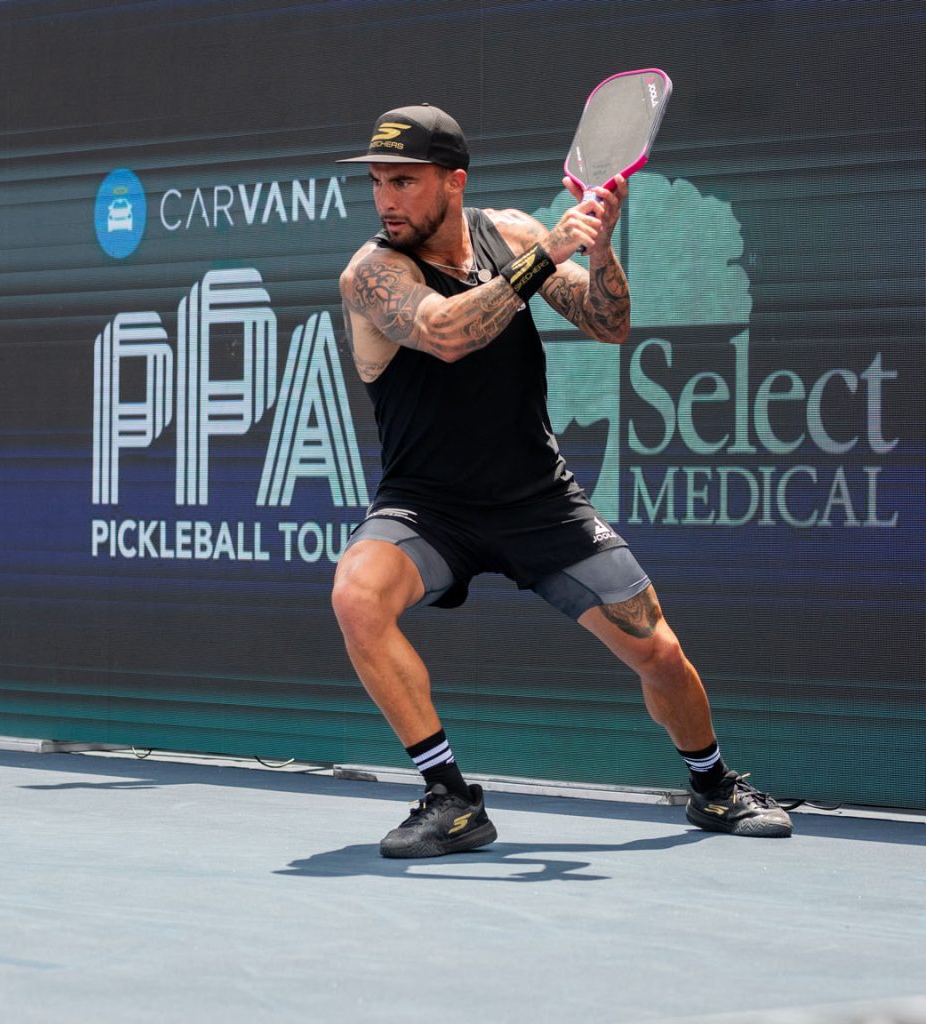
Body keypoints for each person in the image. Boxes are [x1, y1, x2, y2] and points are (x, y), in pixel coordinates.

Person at [331, 104, 792, 858]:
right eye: (379, 182)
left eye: (404, 181)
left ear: (454, 181)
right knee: (357, 596)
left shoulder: (509, 234)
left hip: (537, 501)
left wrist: (600, 250)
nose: (387, 199)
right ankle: (450, 799)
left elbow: (609, 323)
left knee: (659, 652)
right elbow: (445, 333)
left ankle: (713, 787)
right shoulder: (372, 273)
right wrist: (549, 252)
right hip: (427, 508)